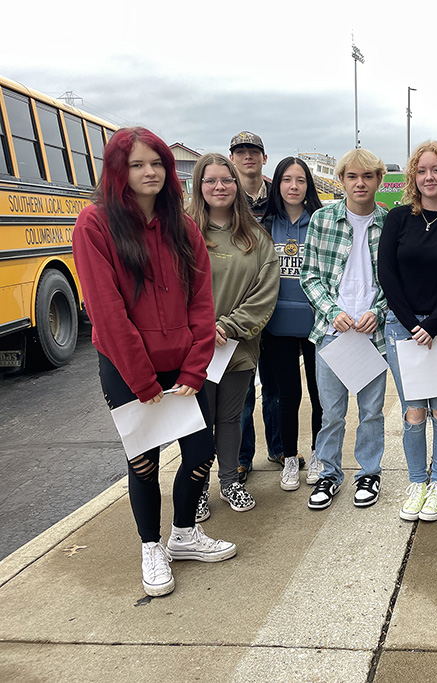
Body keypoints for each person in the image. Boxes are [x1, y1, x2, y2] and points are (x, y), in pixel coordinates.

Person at [73, 128, 235, 598]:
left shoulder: (182, 226)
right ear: (118, 171)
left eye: (158, 163)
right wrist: (142, 379)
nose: (150, 173)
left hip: (182, 366)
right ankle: (151, 545)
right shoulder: (95, 224)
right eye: (138, 164)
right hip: (127, 369)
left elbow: (202, 302)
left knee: (200, 452)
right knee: (143, 460)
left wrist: (193, 367)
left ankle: (184, 534)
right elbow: (106, 310)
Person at [377, 141, 437, 522]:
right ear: (413, 178)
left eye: (436, 170)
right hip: (402, 327)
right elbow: (388, 275)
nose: (429, 177)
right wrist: (412, 325)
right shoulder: (398, 219)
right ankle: (417, 481)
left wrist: (432, 325)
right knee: (413, 411)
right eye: (421, 171)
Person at [187, 153, 279, 521]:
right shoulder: (185, 232)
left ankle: (229, 482)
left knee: (230, 418)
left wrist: (228, 326)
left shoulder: (256, 238)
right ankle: (196, 487)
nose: (219, 187)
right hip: (196, 347)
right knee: (197, 421)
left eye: (225, 180)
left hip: (237, 348)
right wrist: (203, 329)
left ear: (236, 184)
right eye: (210, 181)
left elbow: (265, 292)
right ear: (199, 186)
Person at [301, 148, 389, 510]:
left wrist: (380, 312)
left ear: (379, 181)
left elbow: (396, 283)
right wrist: (331, 311)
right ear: (341, 181)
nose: (360, 183)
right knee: (331, 411)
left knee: (371, 411)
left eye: (367, 176)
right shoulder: (322, 220)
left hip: (373, 335)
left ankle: (369, 472)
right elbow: (309, 276)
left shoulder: (390, 223)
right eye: (352, 176)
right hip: (332, 334)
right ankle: (329, 472)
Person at [261, 157, 324, 491]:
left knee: (320, 394)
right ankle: (288, 458)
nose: (294, 186)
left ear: (308, 186)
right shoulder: (265, 224)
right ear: (277, 184)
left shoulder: (320, 221)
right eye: (287, 180)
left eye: (300, 180)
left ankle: (317, 454)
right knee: (288, 395)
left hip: (316, 323)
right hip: (277, 325)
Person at [230, 131, 282, 482]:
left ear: (264, 158)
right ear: (232, 158)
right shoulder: (225, 198)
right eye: (241, 152)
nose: (248, 157)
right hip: (238, 308)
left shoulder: (276, 199)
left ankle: (279, 449)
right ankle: (242, 457)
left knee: (276, 387)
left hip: (273, 307)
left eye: (254, 152)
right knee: (242, 392)